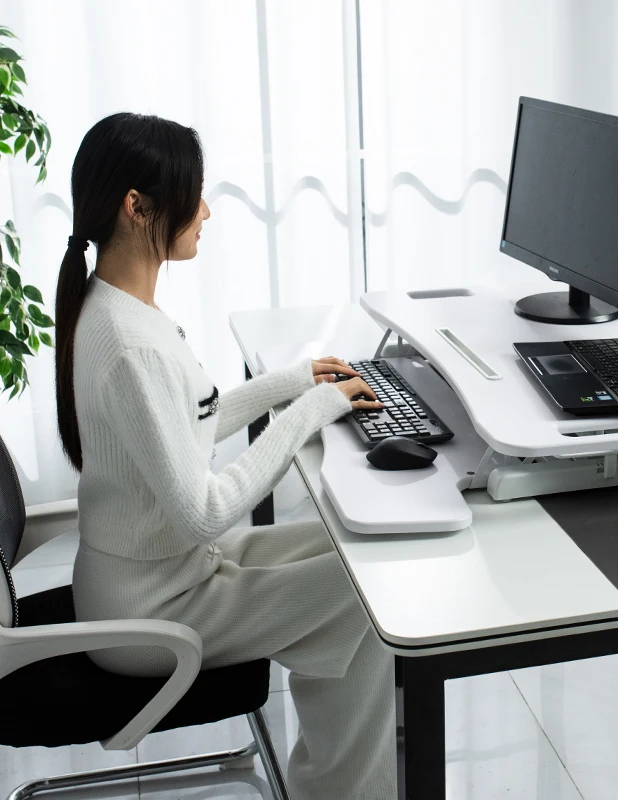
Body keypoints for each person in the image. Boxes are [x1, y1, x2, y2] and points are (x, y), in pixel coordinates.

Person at [55, 112, 396, 800]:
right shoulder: (131, 345)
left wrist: (295, 381)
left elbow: (190, 424)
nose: (206, 211)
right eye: (196, 194)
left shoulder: (117, 307)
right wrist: (313, 411)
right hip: (150, 612)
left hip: (157, 580)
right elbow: (202, 511)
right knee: (369, 598)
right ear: (137, 206)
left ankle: (338, 783)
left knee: (359, 560)